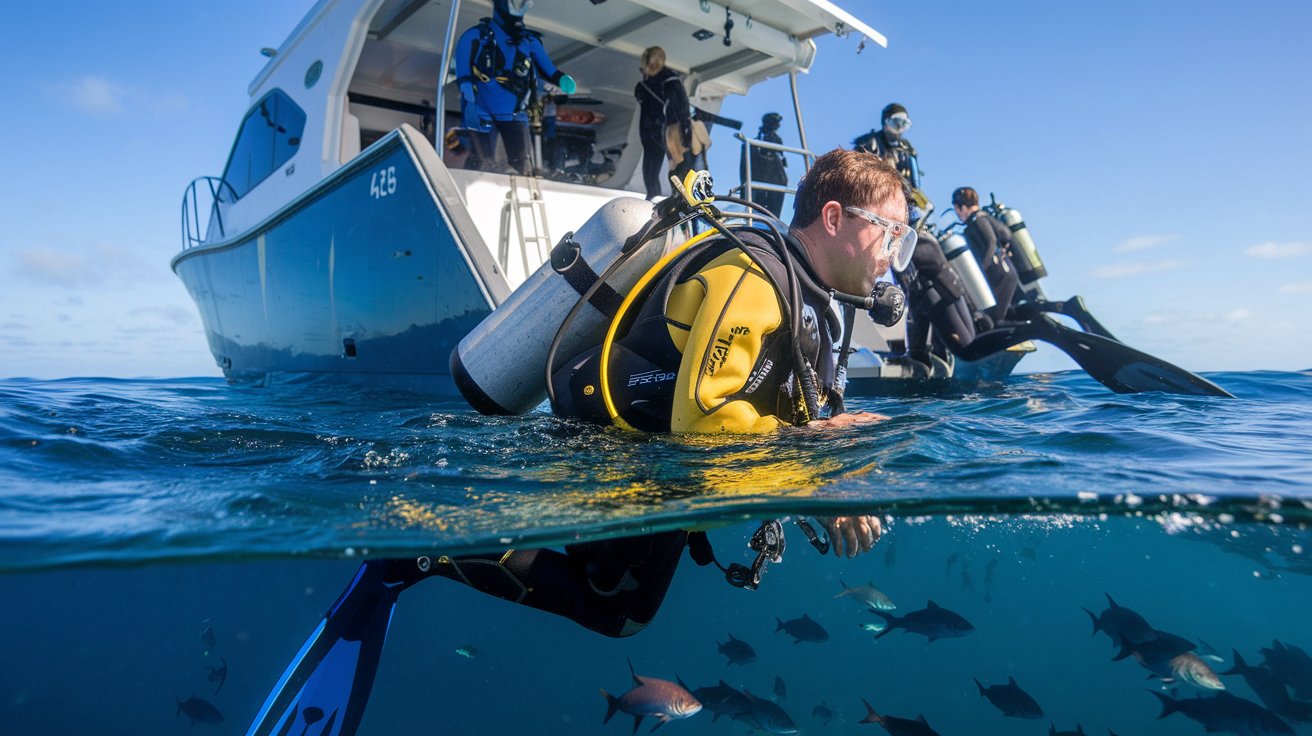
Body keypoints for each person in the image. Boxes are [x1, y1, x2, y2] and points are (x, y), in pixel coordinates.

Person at [434, 149, 904, 639]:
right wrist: (816, 473)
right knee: (618, 607)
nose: (895, 252)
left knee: (623, 609)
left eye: (903, 239)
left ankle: (433, 548)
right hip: (604, 445)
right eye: (891, 231)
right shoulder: (757, 279)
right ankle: (426, 548)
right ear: (834, 218)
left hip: (648, 452)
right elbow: (703, 422)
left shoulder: (807, 302)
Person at [454, 0, 575, 175]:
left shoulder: (529, 41)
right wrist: (468, 97)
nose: (520, 6)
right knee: (481, 161)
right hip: (481, 108)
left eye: (524, 3)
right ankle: (473, 182)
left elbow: (548, 69)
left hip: (515, 112)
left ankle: (522, 187)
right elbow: (463, 72)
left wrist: (562, 79)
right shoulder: (475, 36)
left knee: (523, 164)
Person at [952, 186, 1019, 325]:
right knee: (998, 317)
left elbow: (991, 242)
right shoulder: (983, 216)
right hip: (1006, 273)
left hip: (1000, 275)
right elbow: (1006, 235)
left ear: (963, 207)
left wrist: (983, 268)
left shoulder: (977, 219)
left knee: (992, 320)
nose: (957, 214)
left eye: (956, 209)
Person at [634, 46, 691, 200]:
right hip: (662, 130)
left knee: (656, 167)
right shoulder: (668, 79)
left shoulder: (664, 80)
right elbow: (682, 108)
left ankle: (662, 198)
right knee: (673, 166)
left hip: (663, 131)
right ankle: (676, 199)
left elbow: (677, 108)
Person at [740, 112, 789, 216]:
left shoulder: (775, 139)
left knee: (771, 212)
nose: (778, 125)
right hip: (758, 178)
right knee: (755, 207)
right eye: (776, 123)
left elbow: (779, 157)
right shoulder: (756, 140)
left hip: (773, 179)